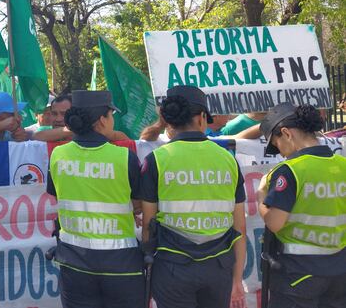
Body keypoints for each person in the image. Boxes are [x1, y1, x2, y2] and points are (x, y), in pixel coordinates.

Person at [141, 85, 247, 308]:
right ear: (201, 118)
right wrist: (237, 280)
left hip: (172, 267)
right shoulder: (228, 159)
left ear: (168, 120)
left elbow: (148, 228)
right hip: (219, 268)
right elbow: (240, 229)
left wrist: (150, 269)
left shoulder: (156, 160)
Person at [47, 90, 144, 308]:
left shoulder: (58, 155)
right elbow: (139, 204)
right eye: (111, 115)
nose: (113, 121)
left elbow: (58, 193)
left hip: (74, 263)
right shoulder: (124, 157)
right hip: (121, 264)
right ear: (102, 120)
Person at [256, 103, 346, 308]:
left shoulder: (290, 170)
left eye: (277, 144)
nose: (280, 153)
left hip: (298, 275)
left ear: (286, 133)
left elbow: (275, 223)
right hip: (339, 272)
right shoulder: (342, 165)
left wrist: (261, 197)